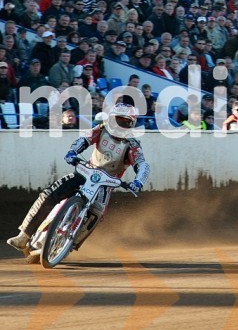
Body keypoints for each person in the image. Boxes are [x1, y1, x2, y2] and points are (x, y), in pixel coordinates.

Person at [7, 103, 150, 255]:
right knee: (49, 194)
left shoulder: (132, 144)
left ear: (131, 123)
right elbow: (84, 139)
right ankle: (24, 236)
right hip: (85, 171)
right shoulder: (101, 129)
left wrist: (138, 181)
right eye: (117, 119)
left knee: (97, 213)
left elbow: (142, 165)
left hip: (106, 184)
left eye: (124, 121)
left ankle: (69, 245)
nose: (119, 124)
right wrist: (72, 152)